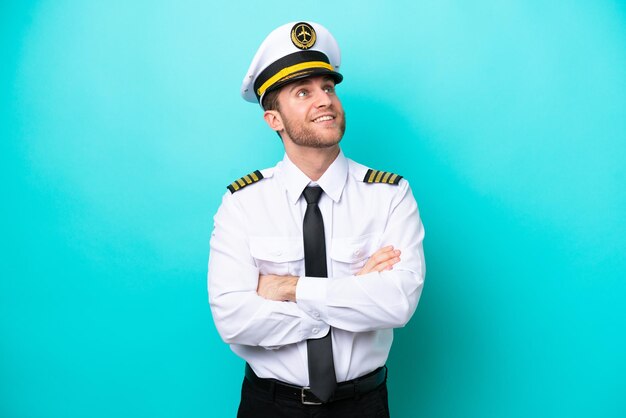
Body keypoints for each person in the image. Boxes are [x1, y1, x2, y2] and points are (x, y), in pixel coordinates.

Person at [208, 21, 426, 417]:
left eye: (328, 88)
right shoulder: (242, 203)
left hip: (363, 405)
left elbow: (397, 304)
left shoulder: (391, 195)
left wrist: (288, 287)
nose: (324, 99)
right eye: (303, 92)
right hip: (270, 406)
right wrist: (352, 292)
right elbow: (233, 321)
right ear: (274, 120)